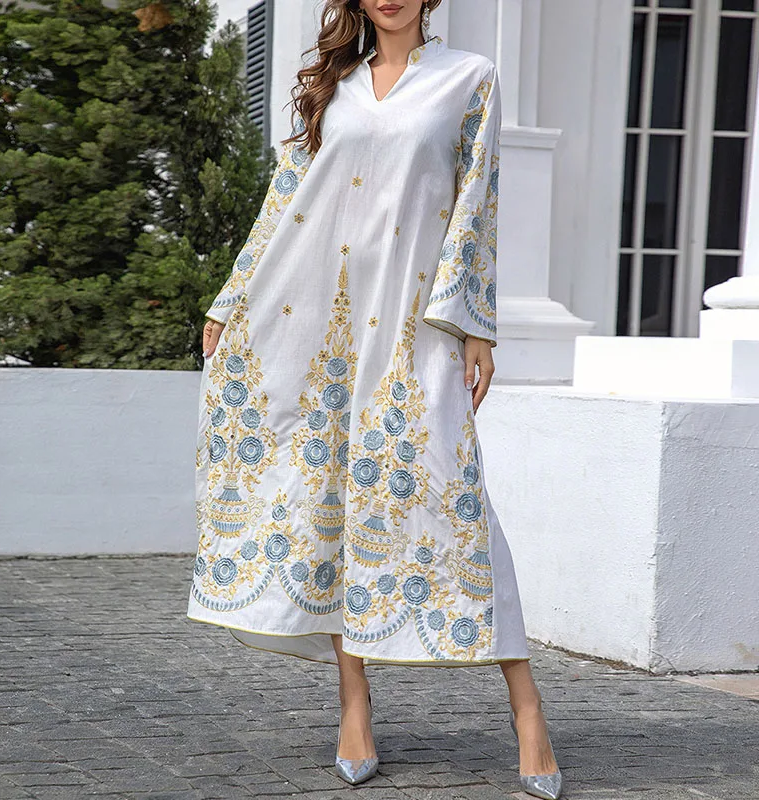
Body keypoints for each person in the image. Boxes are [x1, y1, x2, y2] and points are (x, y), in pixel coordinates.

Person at [187, 1, 562, 797]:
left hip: (416, 321)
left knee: (455, 501)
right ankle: (353, 704)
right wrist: (229, 300)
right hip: (317, 319)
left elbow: (478, 202)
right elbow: (286, 195)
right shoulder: (337, 85)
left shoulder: (469, 78)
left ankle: (528, 710)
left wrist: (476, 327)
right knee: (331, 498)